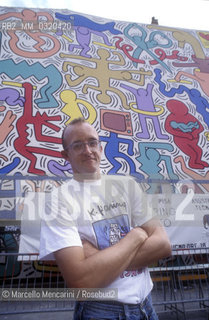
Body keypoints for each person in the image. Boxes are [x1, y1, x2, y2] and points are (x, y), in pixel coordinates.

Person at [39, 118, 171, 320]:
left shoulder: (127, 185)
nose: (88, 150)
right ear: (66, 155)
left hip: (147, 307)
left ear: (100, 148)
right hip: (101, 312)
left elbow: (163, 245)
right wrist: (136, 236)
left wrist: (98, 260)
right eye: (78, 145)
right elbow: (81, 283)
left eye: (92, 143)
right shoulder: (57, 201)